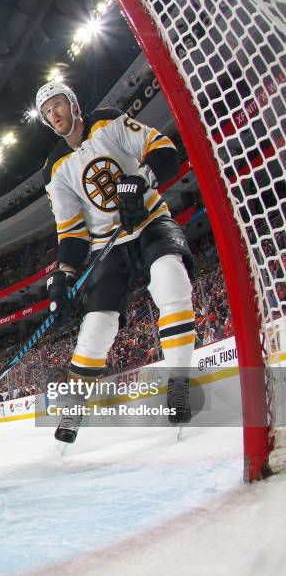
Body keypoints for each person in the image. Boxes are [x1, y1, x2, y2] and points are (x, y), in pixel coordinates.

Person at [36, 82, 195, 443]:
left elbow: (163, 149)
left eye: (58, 104)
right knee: (96, 328)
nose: (54, 114)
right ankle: (74, 409)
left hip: (151, 223)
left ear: (74, 103)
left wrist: (140, 181)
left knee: (171, 282)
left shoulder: (109, 122)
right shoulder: (54, 168)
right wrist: (64, 275)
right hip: (108, 246)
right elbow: (72, 230)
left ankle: (180, 387)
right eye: (47, 113)